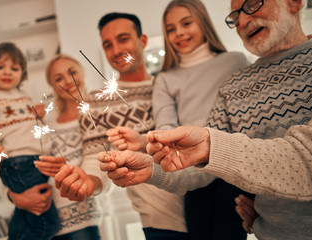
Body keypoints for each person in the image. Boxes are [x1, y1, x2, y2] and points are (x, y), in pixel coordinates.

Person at [99, 0, 312, 239]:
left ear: (294, 2)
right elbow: (195, 157)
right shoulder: (232, 87)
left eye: (253, 4)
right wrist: (152, 168)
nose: (243, 21)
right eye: (235, 17)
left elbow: (307, 158)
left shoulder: (234, 64)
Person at [106, 1, 251, 239]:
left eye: (186, 23)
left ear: (202, 22)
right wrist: (144, 141)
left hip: (232, 172)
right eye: (171, 29)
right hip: (193, 175)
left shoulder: (235, 62)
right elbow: (166, 129)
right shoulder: (165, 78)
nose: (179, 33)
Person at [55, 12, 189, 239]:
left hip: (210, 208)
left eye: (123, 39)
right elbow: (95, 159)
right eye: (108, 45)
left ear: (143, 41)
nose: (116, 50)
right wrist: (91, 183)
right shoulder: (95, 102)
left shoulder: (172, 87)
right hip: (161, 222)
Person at [7, 54, 103, 240]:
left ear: (82, 73)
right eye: (58, 78)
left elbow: (104, 170)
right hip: (40, 225)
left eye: (72, 72)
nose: (68, 81)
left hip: (82, 224)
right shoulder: (45, 124)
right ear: (53, 87)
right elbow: (14, 164)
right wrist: (13, 196)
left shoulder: (98, 117)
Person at [0, 42, 60, 240]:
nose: (7, 72)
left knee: (29, 217)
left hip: (36, 162)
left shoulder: (24, 98)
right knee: (46, 223)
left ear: (22, 73)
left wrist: (40, 116)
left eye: (14, 68)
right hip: (18, 163)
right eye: (0, 67)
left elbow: (31, 130)